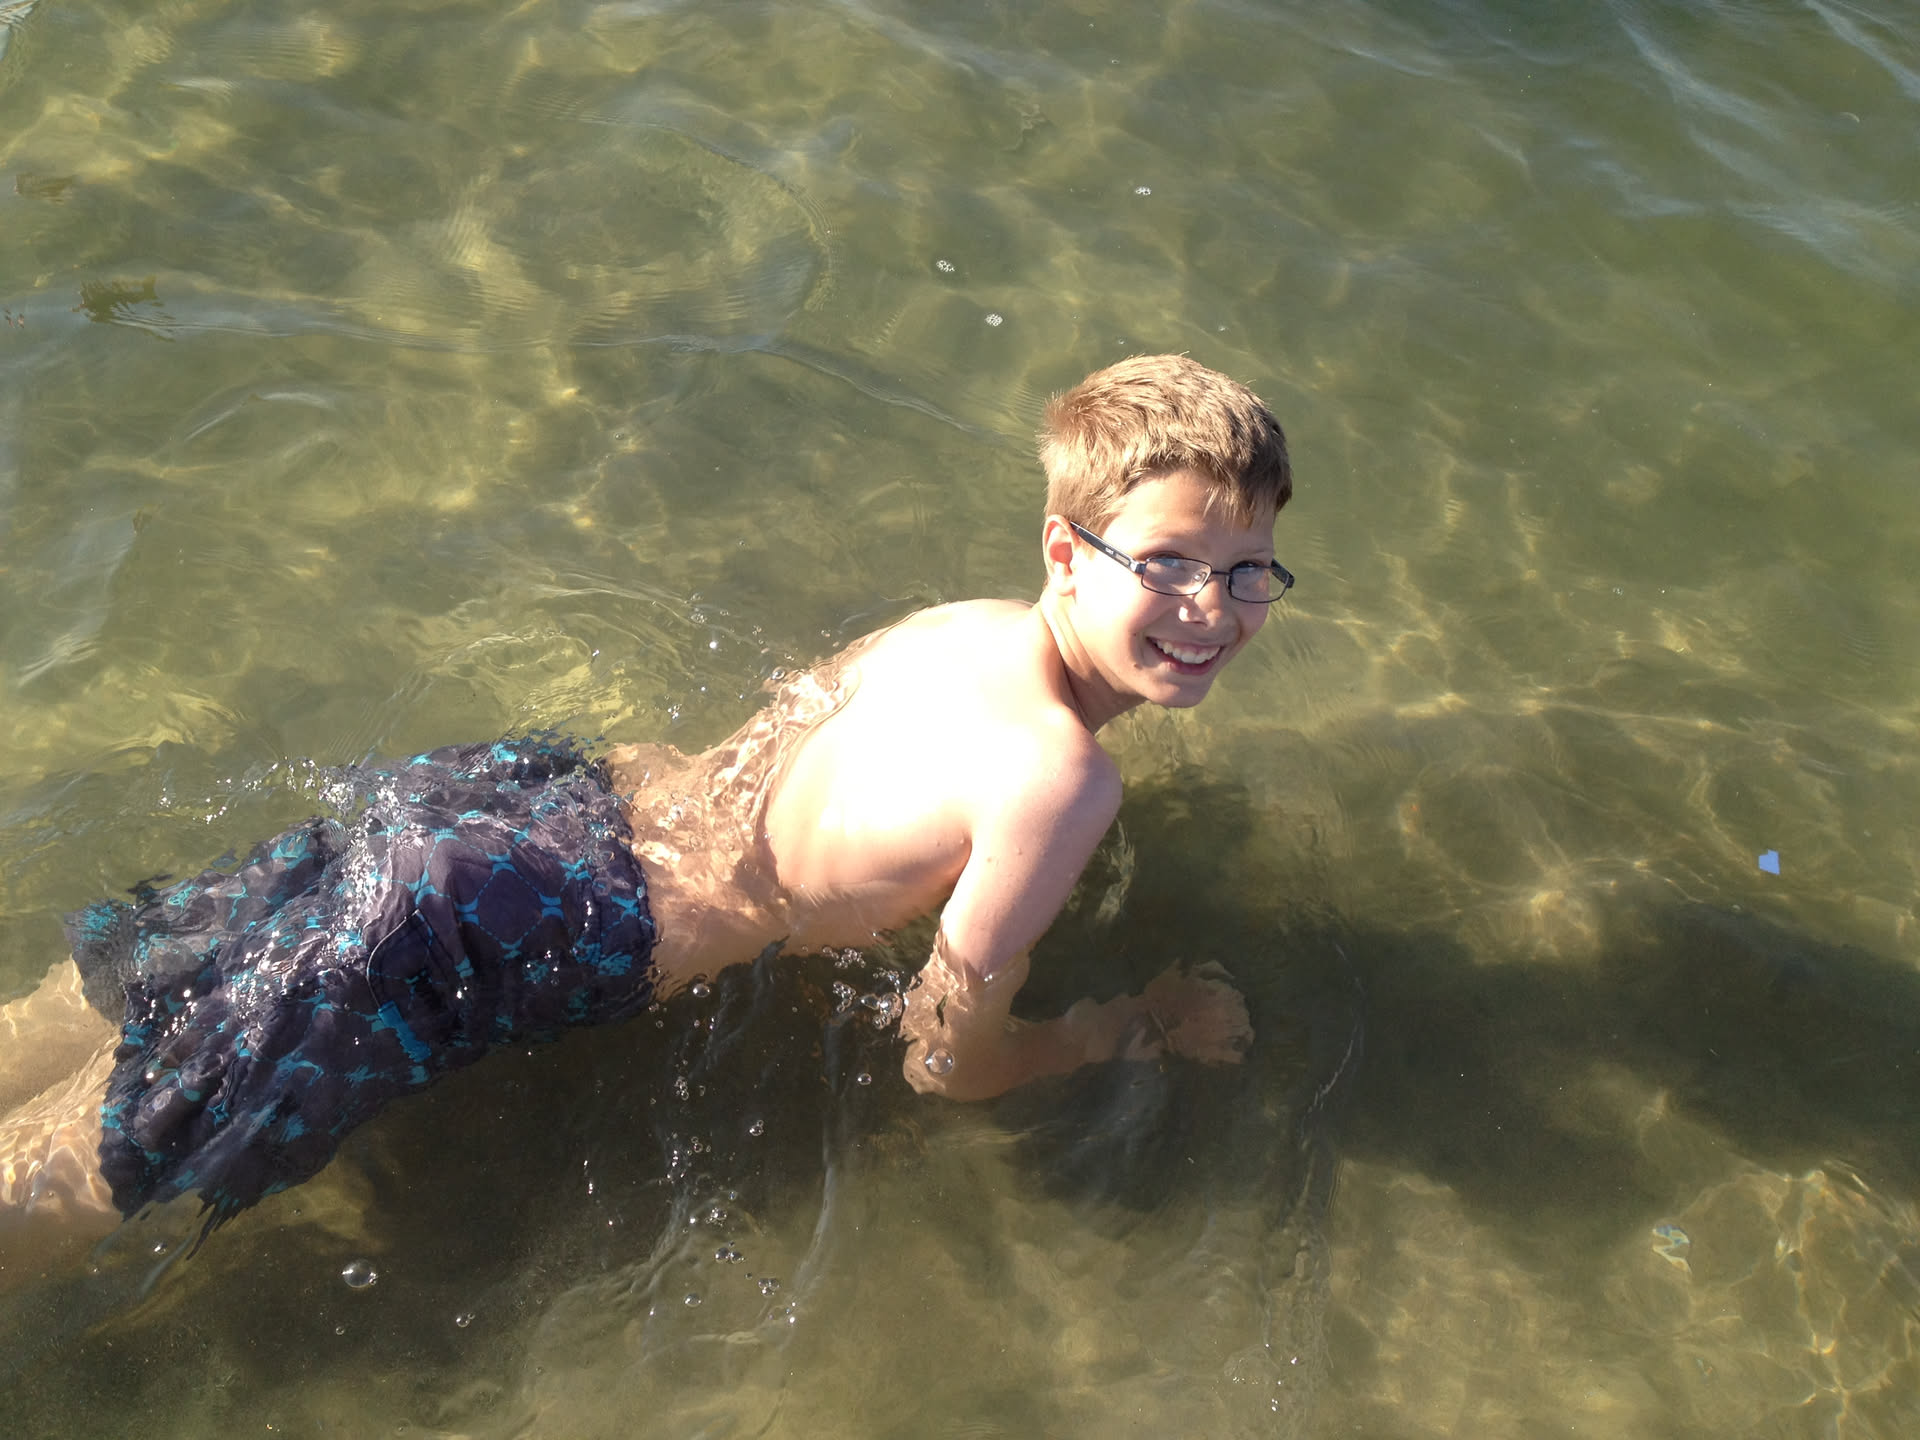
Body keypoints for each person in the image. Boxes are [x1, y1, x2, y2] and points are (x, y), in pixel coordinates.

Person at [0, 353, 1292, 1262]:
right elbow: (945, 1056)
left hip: (526, 802)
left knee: (125, 1000)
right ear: (1067, 552)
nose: (1212, 608)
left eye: (1249, 571)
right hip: (515, 923)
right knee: (85, 1169)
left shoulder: (963, 625)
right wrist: (1125, 1028)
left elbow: (787, 736)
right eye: (1169, 563)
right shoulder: (1064, 778)